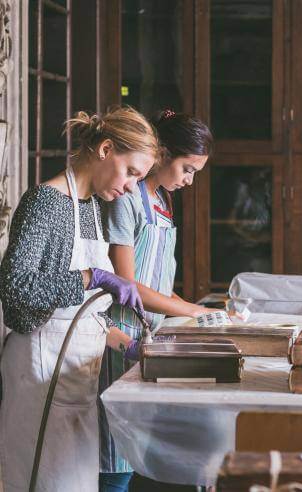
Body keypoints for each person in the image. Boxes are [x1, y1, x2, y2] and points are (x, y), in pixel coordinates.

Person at [0, 107, 159, 492]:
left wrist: (131, 346)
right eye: (132, 173)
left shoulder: (89, 208)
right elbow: (15, 288)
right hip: (39, 383)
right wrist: (93, 277)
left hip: (74, 390)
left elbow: (79, 317)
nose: (132, 188)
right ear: (106, 149)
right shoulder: (45, 202)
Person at [98, 110, 216, 491]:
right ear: (162, 154)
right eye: (188, 168)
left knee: (132, 452)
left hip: (149, 337)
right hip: (118, 338)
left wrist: (205, 314)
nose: (189, 180)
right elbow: (127, 283)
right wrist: (194, 310)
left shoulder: (163, 205)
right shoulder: (127, 200)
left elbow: (161, 287)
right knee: (113, 457)